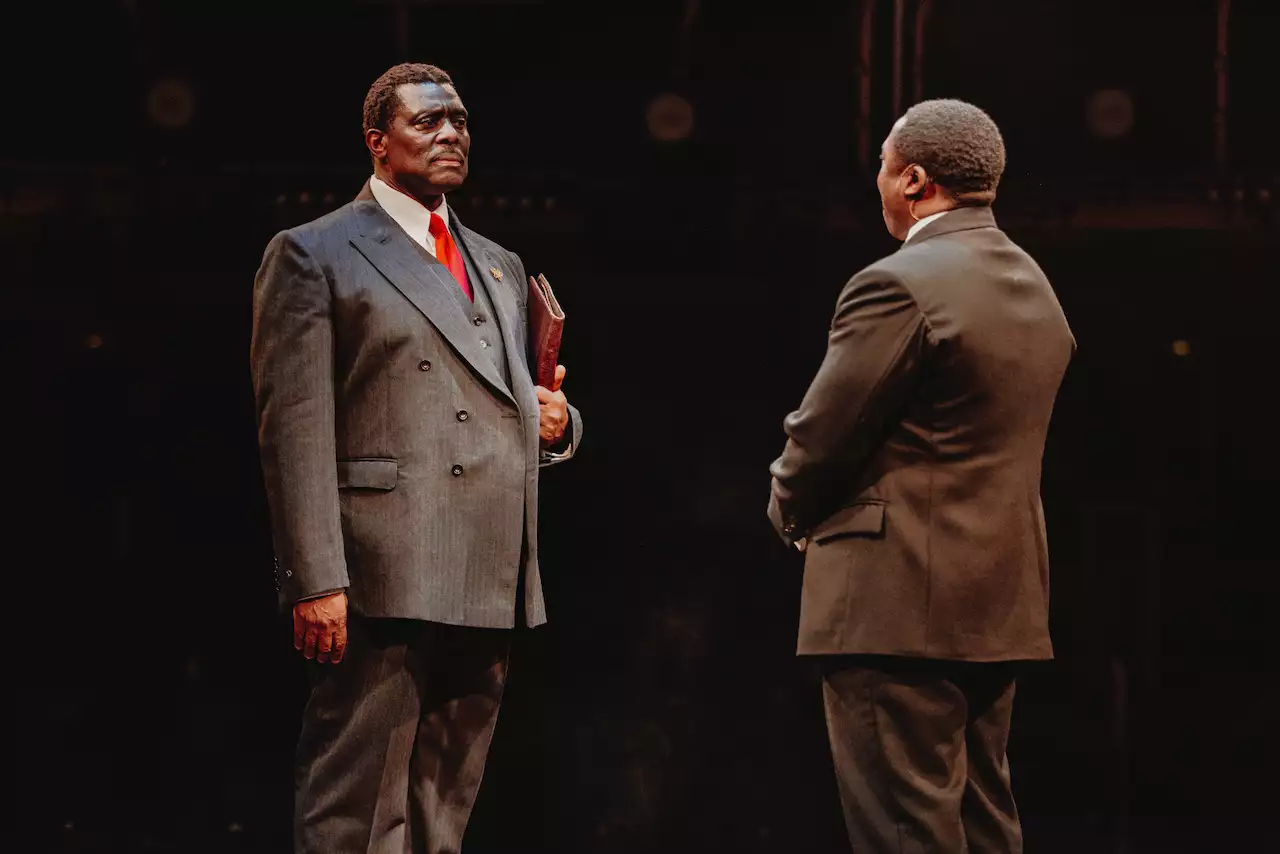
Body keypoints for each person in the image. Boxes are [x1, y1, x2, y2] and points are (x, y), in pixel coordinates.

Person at [250, 61, 582, 854]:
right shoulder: (316, 252)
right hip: (381, 566)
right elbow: (292, 428)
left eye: (460, 121)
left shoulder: (498, 263)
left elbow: (507, 399)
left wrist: (557, 424)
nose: (449, 135)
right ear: (377, 142)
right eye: (428, 122)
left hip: (488, 564)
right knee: (358, 809)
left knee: (443, 804)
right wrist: (315, 576)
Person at [766, 99, 1074, 853]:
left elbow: (822, 434)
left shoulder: (899, 283)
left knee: (904, 832)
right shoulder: (1036, 286)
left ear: (913, 180)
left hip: (896, 601)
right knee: (983, 824)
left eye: (880, 165)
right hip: (998, 602)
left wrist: (789, 510)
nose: (876, 179)